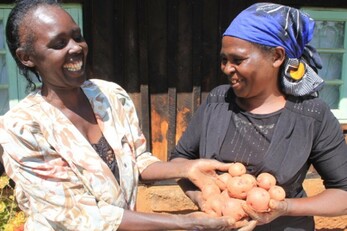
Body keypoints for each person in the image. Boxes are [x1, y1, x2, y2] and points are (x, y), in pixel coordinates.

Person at [0, 0, 259, 230]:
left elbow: (137, 161)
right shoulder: (21, 128)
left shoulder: (110, 96)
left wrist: (187, 167)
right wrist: (185, 222)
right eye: (59, 43)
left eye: (77, 37)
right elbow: (78, 214)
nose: (76, 48)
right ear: (26, 57)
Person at [170, 2, 347, 231]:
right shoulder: (218, 101)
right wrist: (204, 198)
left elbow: (343, 193)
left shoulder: (312, 115)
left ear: (276, 56)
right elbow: (179, 161)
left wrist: (285, 207)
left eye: (238, 60)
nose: (226, 68)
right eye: (224, 60)